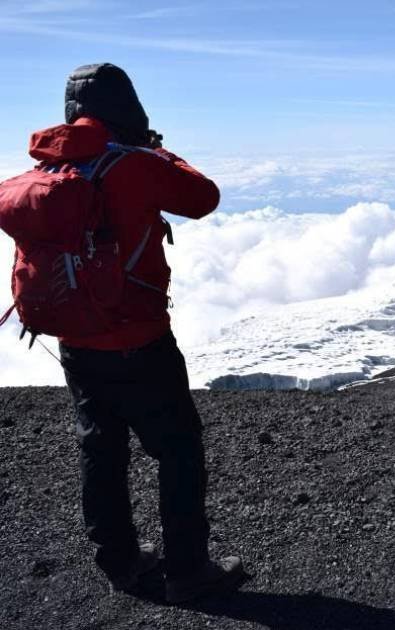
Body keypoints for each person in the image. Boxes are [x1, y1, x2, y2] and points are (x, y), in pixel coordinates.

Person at [27, 63, 243, 603]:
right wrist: (157, 151)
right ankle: (189, 570)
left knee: (100, 448)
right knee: (178, 450)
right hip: (138, 337)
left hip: (74, 338)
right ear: (128, 107)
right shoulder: (133, 165)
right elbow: (203, 197)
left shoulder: (51, 168)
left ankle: (120, 563)